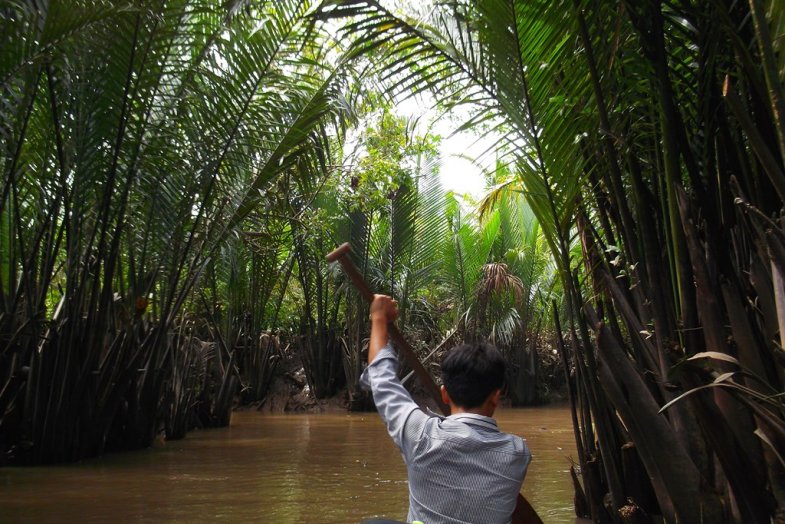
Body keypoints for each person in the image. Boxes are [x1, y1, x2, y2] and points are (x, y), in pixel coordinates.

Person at [360, 294, 531, 524]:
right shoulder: (518, 453)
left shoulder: (419, 433)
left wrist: (378, 317)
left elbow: (382, 378)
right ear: (496, 397)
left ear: (444, 394)